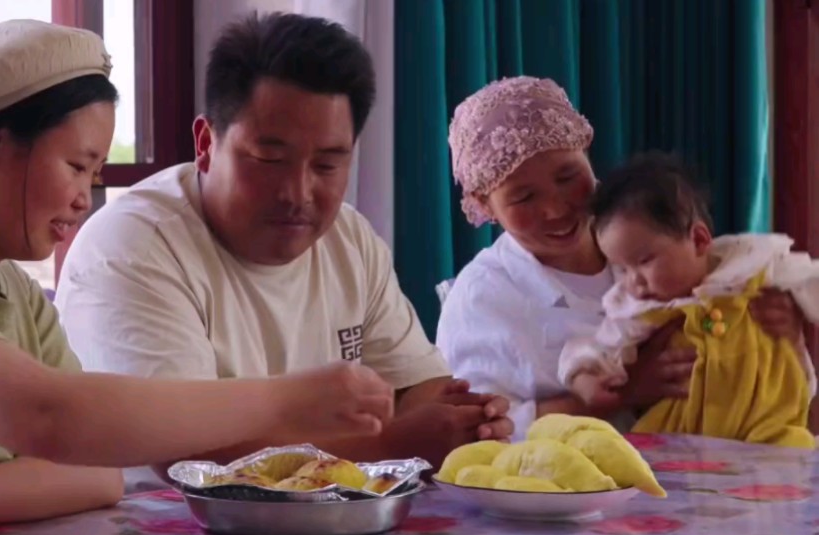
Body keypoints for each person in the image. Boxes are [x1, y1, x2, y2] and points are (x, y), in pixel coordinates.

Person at [0, 19, 394, 535]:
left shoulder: (17, 294)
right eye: (76, 167)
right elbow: (47, 417)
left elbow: (97, 475)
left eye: (97, 174)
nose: (85, 197)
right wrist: (289, 401)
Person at [55, 11, 513, 476]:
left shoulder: (349, 238)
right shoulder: (134, 247)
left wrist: (464, 420)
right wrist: (389, 445)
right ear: (206, 143)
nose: (298, 193)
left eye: (328, 165)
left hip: (337, 525)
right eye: (269, 159)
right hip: (162, 533)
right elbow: (182, 452)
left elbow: (414, 387)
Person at [436, 76, 804, 440]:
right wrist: (622, 395)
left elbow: (728, 293)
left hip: (717, 455)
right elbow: (480, 433)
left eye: (568, 176)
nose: (554, 209)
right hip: (567, 491)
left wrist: (782, 319)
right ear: (485, 205)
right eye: (523, 198)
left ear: (587, 154)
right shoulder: (480, 302)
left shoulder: (642, 233)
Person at [559, 153, 817, 448]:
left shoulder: (756, 267)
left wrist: (797, 312)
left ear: (698, 240)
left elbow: (812, 282)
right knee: (640, 458)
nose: (633, 281)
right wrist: (584, 379)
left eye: (643, 261)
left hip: (769, 429)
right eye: (621, 268)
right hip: (683, 435)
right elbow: (593, 346)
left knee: (796, 457)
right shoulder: (642, 310)